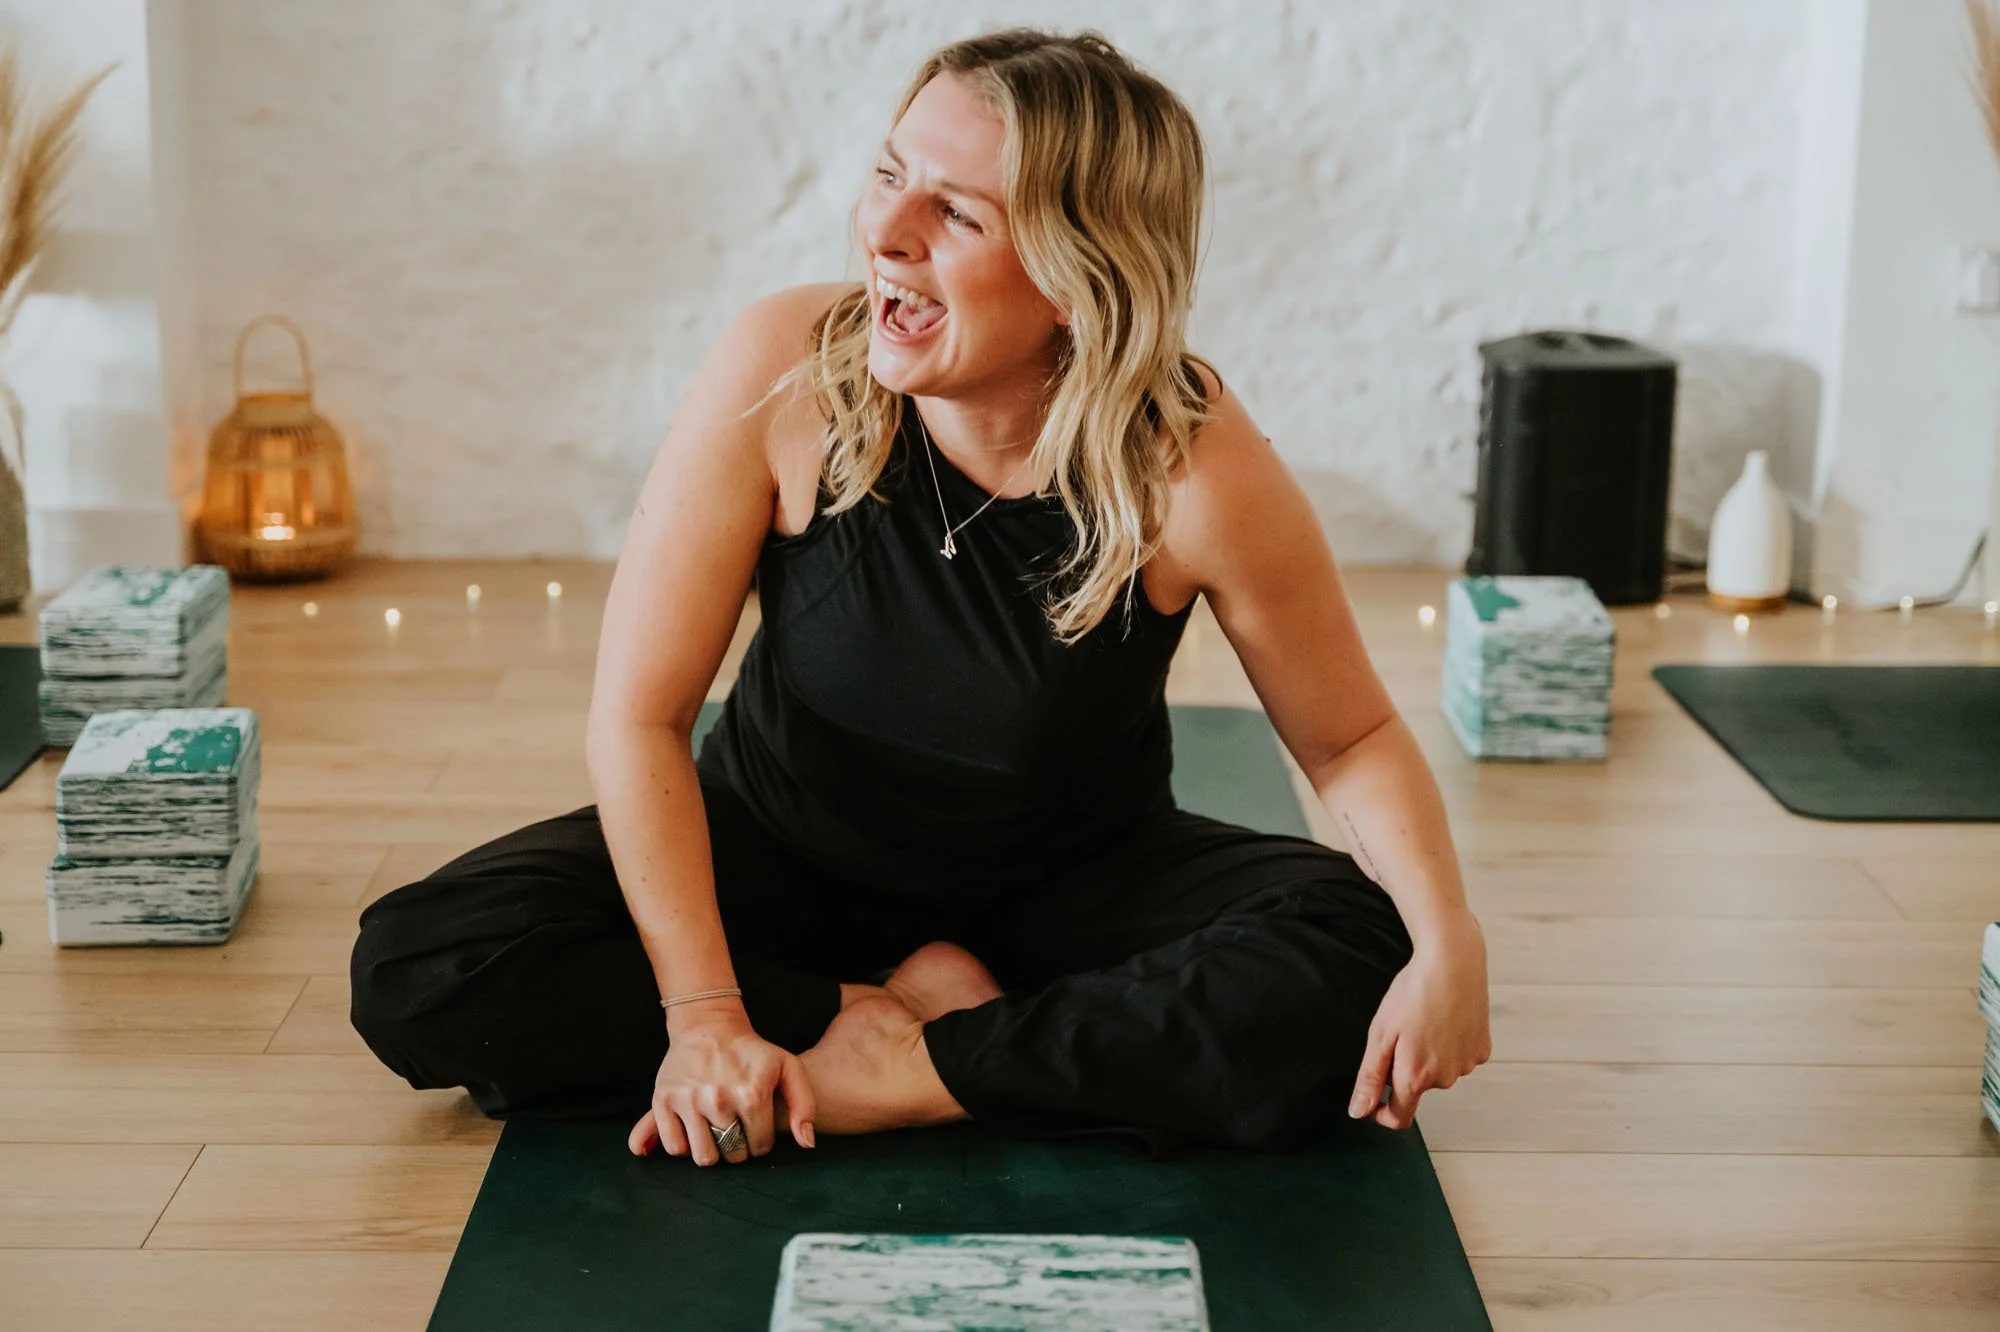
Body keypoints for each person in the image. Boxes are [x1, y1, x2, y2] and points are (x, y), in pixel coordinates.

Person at [349, 27, 1490, 1169]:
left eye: (955, 214)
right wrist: (705, 1014)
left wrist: (1449, 948)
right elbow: (637, 717)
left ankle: (914, 1077)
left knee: (1364, 951)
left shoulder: (1186, 468)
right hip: (775, 853)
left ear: (1071, 271)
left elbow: (1349, 740)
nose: (883, 235)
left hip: (1067, 894)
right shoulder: (785, 367)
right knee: (423, 959)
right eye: (891, 175)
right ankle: (881, 1024)